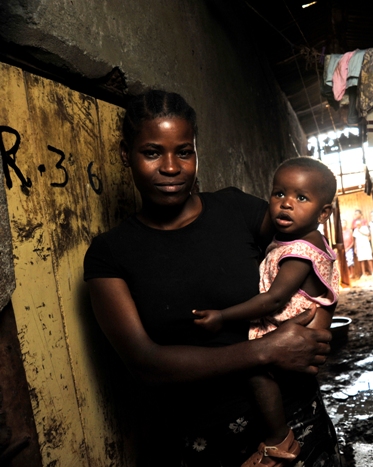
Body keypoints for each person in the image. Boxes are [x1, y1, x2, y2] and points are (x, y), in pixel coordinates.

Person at [83, 90, 341, 467]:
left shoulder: (236, 210)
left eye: (184, 151)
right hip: (202, 439)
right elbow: (145, 363)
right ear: (126, 155)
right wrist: (265, 350)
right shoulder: (111, 254)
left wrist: (320, 323)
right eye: (152, 152)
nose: (171, 167)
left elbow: (311, 248)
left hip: (294, 418)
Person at [192, 157, 339, 466]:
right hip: (291, 328)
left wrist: (223, 316)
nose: (286, 204)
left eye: (301, 198)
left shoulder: (299, 253)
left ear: (323, 212)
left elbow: (273, 300)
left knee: (256, 372)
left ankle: (278, 440)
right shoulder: (298, 239)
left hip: (286, 328)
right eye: (278, 193)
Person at [352, 210, 373, 277]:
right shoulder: (355, 230)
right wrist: (355, 247)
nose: (358, 225)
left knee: (369, 258)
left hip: (366, 244)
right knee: (361, 259)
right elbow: (355, 239)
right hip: (359, 245)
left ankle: (372, 272)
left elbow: (368, 234)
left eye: (359, 224)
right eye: (357, 224)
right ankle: (363, 273)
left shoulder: (365, 227)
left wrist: (360, 230)